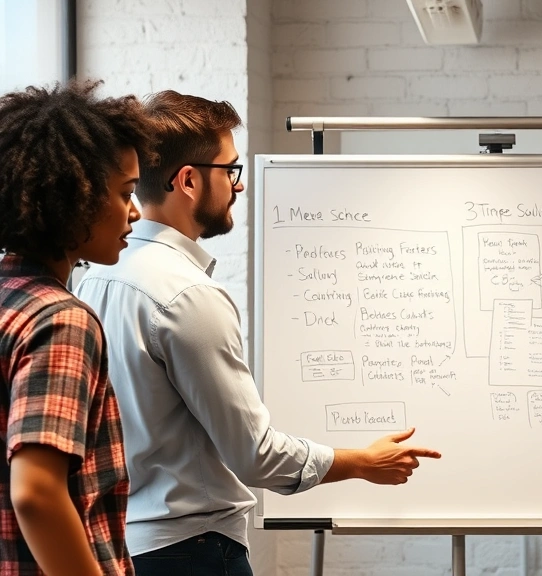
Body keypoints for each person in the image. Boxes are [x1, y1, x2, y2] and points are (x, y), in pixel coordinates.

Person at [74, 90, 441, 576]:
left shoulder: (92, 278)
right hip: (193, 552)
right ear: (188, 180)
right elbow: (254, 455)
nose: (238, 186)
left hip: (122, 545)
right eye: (230, 171)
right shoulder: (185, 295)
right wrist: (363, 462)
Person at [0, 81, 156, 575]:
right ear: (76, 195)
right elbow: (37, 493)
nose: (134, 212)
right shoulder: (60, 318)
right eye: (125, 193)